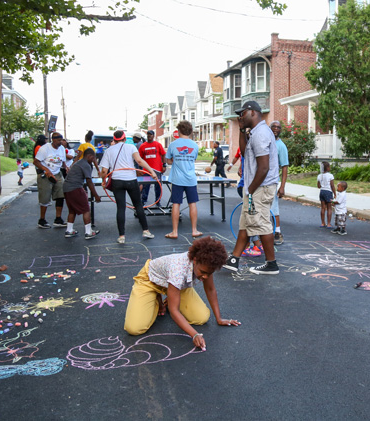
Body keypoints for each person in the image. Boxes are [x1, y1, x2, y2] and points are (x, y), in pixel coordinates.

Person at [124, 236, 240, 349]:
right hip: (150, 280)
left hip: (176, 286)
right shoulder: (178, 269)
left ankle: (170, 298)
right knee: (134, 328)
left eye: (209, 273)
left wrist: (219, 318)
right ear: (195, 260)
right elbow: (174, 310)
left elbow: (210, 289)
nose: (205, 276)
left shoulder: (208, 264)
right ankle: (156, 300)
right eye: (203, 272)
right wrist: (194, 334)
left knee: (202, 318)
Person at [222, 100, 280, 275]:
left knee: (261, 224)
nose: (240, 116)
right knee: (246, 223)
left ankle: (271, 264)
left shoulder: (261, 133)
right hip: (256, 187)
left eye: (243, 113)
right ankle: (234, 259)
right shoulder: (255, 132)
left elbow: (263, 167)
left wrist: (251, 190)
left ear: (253, 112)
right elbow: (245, 151)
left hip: (259, 188)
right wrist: (241, 130)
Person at [98, 129, 157, 244]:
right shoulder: (131, 147)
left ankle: (121, 236)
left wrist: (104, 181)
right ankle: (145, 231)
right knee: (138, 206)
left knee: (121, 208)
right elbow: (139, 161)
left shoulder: (109, 151)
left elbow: (104, 170)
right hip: (131, 179)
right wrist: (152, 172)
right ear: (124, 139)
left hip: (117, 181)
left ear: (114, 139)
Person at [165, 121, 202, 239]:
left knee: (176, 203)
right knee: (192, 203)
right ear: (190, 132)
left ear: (179, 131)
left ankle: (174, 231)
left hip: (177, 179)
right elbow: (193, 160)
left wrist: (175, 160)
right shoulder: (195, 145)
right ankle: (194, 230)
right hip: (190, 179)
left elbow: (168, 160)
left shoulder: (173, 144)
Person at [63, 148, 101, 239]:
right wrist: (96, 195)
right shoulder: (86, 165)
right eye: (93, 158)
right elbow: (89, 181)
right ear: (89, 156)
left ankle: (69, 230)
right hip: (75, 188)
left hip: (66, 188)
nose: (93, 160)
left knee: (72, 209)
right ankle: (88, 232)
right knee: (86, 209)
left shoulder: (78, 163)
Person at [34, 132, 67, 229]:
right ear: (53, 140)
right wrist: (46, 170)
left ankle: (58, 219)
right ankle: (42, 220)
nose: (60, 142)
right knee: (45, 197)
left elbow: (63, 160)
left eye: (61, 140)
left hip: (57, 173)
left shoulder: (61, 149)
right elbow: (36, 162)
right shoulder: (45, 149)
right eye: (58, 140)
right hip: (45, 175)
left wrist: (66, 167)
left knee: (61, 196)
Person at [270, 121, 289, 244]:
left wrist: (282, 186)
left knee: (273, 208)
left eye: (278, 127)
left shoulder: (281, 146)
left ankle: (277, 232)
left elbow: (285, 166)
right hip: (262, 181)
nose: (276, 129)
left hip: (273, 182)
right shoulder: (266, 142)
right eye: (274, 127)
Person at [138, 130, 166, 205]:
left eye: (150, 135)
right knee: (145, 186)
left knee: (158, 186)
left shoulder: (158, 145)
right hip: (146, 170)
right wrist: (140, 169)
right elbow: (139, 158)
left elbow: (163, 154)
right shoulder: (143, 146)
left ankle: (158, 201)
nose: (149, 136)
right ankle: (143, 200)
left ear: (153, 136)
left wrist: (164, 165)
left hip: (157, 169)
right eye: (148, 135)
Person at [317, 161, 335, 228]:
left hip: (322, 192)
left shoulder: (319, 176)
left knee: (323, 208)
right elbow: (332, 186)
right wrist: (335, 194)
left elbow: (318, 186)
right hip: (328, 192)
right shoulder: (330, 175)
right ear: (327, 168)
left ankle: (322, 223)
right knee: (329, 208)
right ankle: (329, 223)